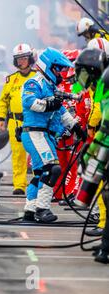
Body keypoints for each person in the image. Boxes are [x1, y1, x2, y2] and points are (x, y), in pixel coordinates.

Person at [21, 47, 86, 223]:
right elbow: (29, 102)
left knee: (40, 172)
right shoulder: (35, 83)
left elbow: (62, 111)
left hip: (44, 134)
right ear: (49, 66)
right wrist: (50, 103)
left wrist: (76, 127)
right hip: (35, 133)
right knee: (52, 169)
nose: (61, 73)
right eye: (58, 69)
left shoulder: (50, 86)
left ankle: (30, 208)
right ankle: (43, 209)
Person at [74, 56, 109, 263]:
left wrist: (89, 153)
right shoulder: (100, 85)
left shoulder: (106, 82)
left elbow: (106, 127)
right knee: (106, 195)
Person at [0, 44, 37, 196]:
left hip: (33, 120)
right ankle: (19, 185)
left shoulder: (38, 77)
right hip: (14, 122)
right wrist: (1, 117)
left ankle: (37, 183)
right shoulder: (10, 80)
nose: (21, 62)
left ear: (30, 59)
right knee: (17, 154)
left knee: (35, 153)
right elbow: (3, 101)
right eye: (18, 59)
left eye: (24, 58)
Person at [53, 49, 91, 205]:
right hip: (62, 129)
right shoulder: (58, 83)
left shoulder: (83, 86)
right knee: (61, 163)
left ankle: (72, 192)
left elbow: (82, 111)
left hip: (78, 131)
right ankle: (59, 192)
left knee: (76, 163)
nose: (65, 70)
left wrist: (73, 127)